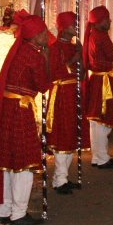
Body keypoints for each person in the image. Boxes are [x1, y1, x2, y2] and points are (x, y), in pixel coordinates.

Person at [0, 14, 51, 225]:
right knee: (24, 162)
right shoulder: (34, 55)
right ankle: (19, 213)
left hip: (7, 109)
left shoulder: (18, 50)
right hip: (20, 110)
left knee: (8, 162)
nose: (47, 36)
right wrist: (46, 59)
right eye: (44, 33)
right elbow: (42, 85)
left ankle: (5, 210)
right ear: (36, 36)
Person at [84, 5, 113, 167]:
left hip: (97, 80)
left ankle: (98, 157)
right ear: (97, 22)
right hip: (103, 82)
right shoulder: (101, 36)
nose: (109, 21)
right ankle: (101, 158)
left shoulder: (93, 34)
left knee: (96, 122)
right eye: (106, 19)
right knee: (102, 122)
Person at [47, 11, 83, 194]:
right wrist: (74, 59)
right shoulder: (54, 48)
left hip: (73, 93)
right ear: (64, 26)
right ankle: (59, 180)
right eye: (73, 23)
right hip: (61, 94)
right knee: (63, 135)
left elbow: (81, 74)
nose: (76, 26)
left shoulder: (73, 46)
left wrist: (81, 55)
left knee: (71, 135)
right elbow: (54, 73)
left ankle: (64, 177)